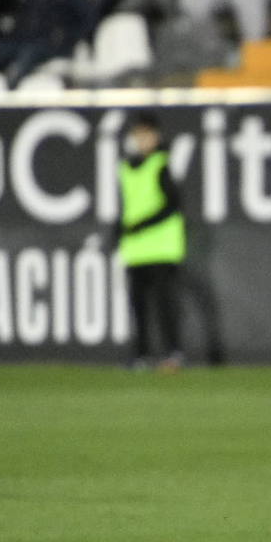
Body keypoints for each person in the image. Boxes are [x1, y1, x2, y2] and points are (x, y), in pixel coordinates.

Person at [117, 112, 187, 371]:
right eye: (138, 134)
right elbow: (127, 205)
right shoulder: (127, 167)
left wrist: (140, 225)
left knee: (164, 305)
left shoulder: (161, 165)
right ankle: (141, 355)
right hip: (136, 249)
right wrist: (119, 231)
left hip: (162, 247)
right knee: (138, 306)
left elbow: (173, 205)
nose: (142, 139)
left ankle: (173, 354)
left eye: (146, 134)